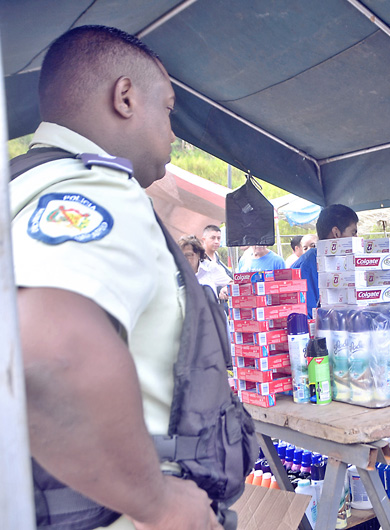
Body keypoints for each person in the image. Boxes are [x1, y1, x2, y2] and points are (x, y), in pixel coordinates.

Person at [11, 25, 226, 529]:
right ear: (125, 97)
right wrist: (157, 501)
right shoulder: (98, 190)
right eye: (169, 110)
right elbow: (48, 349)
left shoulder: (23, 186)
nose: (174, 133)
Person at [293, 204, 359, 317]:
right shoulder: (308, 264)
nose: (356, 238)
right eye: (353, 233)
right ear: (336, 233)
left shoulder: (346, 260)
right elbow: (306, 315)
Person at [197, 224, 231, 301]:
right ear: (204, 239)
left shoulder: (216, 256)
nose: (216, 241)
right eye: (213, 238)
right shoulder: (201, 261)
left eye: (218, 238)